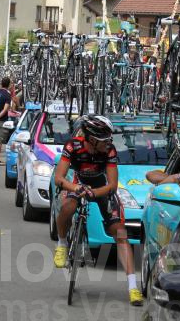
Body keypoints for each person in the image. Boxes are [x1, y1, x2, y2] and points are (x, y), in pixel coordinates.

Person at [52, 115, 143, 305]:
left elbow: (112, 185)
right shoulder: (73, 146)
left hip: (101, 187)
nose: (109, 142)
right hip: (78, 183)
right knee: (68, 205)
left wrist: (94, 193)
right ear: (91, 139)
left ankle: (133, 287)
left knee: (120, 233)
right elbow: (59, 178)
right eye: (105, 139)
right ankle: (62, 244)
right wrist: (76, 188)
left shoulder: (109, 150)